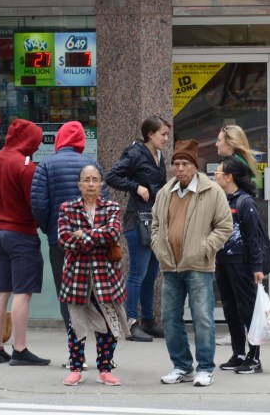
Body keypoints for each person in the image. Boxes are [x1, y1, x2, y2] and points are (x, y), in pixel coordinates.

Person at [152, 139, 232, 387]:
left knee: (203, 318)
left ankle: (205, 368)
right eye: (176, 164)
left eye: (185, 163)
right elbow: (155, 226)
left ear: (195, 166)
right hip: (171, 265)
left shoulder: (212, 191)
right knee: (170, 318)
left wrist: (205, 248)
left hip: (198, 266)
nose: (179, 168)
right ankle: (182, 366)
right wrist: (159, 248)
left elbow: (224, 226)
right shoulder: (165, 192)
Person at [0, 118, 50, 366]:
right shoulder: (26, 166)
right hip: (21, 234)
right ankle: (20, 349)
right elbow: (35, 204)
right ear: (29, 140)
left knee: (1, 291)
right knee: (23, 293)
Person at [30, 121, 109, 333]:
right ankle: (104, 352)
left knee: (67, 295)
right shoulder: (93, 165)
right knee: (96, 294)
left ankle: (77, 351)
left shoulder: (46, 165)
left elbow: (38, 205)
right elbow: (105, 203)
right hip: (92, 243)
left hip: (61, 242)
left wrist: (50, 229)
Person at [58, 165, 129, 386]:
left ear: (101, 184)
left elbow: (113, 233)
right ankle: (76, 368)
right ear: (79, 184)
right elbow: (64, 239)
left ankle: (105, 368)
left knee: (108, 324)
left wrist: (83, 235)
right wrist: (97, 237)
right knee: (76, 325)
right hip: (77, 276)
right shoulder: (67, 208)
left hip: (105, 276)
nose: (90, 184)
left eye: (95, 179)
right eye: (86, 180)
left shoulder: (112, 207)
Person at [106, 115, 170, 342]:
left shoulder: (159, 155)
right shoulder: (134, 153)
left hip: (154, 218)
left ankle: (149, 321)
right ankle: (131, 322)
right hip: (137, 219)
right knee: (137, 272)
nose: (166, 138)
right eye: (163, 134)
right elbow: (111, 176)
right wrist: (136, 187)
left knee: (152, 273)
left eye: (167, 134)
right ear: (150, 134)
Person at [214, 155, 265, 374]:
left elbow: (254, 238)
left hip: (241, 263)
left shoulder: (245, 202)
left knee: (247, 311)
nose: (215, 175)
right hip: (223, 262)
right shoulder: (222, 200)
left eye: (218, 172)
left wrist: (257, 267)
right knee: (230, 309)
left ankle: (254, 358)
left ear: (228, 176)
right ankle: (239, 354)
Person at [214, 124, 256, 346]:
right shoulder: (238, 164)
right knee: (232, 300)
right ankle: (239, 345)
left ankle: (250, 349)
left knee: (242, 300)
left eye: (220, 140)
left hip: (238, 249)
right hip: (228, 251)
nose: (216, 143)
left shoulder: (236, 169)